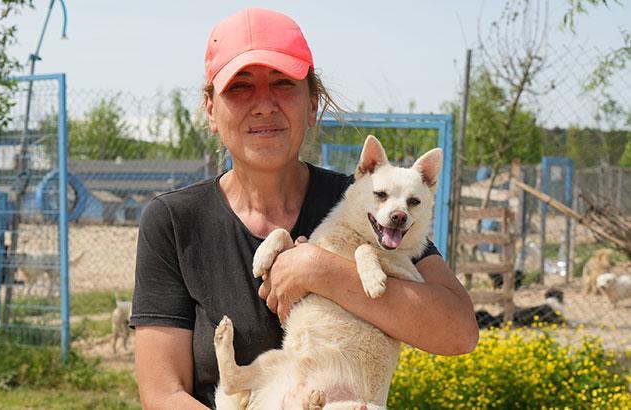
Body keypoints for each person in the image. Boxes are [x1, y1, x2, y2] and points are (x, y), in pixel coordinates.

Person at [131, 8, 478, 409]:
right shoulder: (174, 220)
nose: (263, 104)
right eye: (239, 87)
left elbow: (458, 332)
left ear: (313, 104)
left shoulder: (363, 202)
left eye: (282, 83)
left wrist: (322, 271)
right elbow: (162, 393)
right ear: (211, 110)